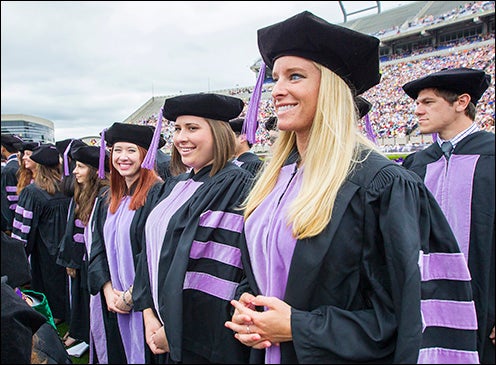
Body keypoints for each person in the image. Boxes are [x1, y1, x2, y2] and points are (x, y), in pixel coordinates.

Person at [224, 11, 479, 364]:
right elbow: (263, 272)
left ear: (329, 89)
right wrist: (250, 310)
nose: (278, 90)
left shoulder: (381, 185)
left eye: (294, 76)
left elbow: (403, 319)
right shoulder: (274, 180)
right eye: (276, 77)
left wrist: (299, 327)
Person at [132, 92, 253, 364]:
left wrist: (173, 331)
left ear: (219, 133)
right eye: (177, 129)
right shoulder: (173, 186)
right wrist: (148, 313)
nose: (180, 138)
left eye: (192, 128)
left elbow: (215, 277)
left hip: (198, 341)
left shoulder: (235, 187)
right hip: (159, 327)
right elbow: (148, 253)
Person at [401, 67, 494, 364]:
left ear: (461, 102)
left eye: (427, 102)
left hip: (485, 298)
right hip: (425, 304)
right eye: (417, 103)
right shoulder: (416, 164)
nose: (417, 110)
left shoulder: (491, 155)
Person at [87, 122, 165, 364]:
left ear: (145, 154)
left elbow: (155, 254)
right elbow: (96, 249)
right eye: (117, 150)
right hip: (113, 302)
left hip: (146, 305)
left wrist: (132, 297)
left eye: (131, 150)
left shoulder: (159, 195)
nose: (122, 157)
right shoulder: (106, 199)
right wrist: (108, 291)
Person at [57, 142, 110, 351]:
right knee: (79, 300)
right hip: (80, 259)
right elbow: (72, 229)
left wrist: (74, 260)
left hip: (90, 260)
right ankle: (81, 333)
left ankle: (86, 336)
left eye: (81, 166)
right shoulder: (82, 192)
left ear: (95, 171)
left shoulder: (102, 196)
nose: (75, 171)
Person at [11, 143, 71, 326]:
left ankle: (52, 313)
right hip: (65, 247)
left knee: (47, 282)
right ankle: (66, 312)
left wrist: (19, 253)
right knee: (63, 283)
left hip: (44, 248)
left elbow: (23, 229)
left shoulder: (32, 192)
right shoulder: (67, 188)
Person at [1, 134, 23, 235]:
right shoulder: (21, 165)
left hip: (14, 223)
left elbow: (8, 199)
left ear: (3, 148)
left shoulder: (8, 170)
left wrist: (9, 226)